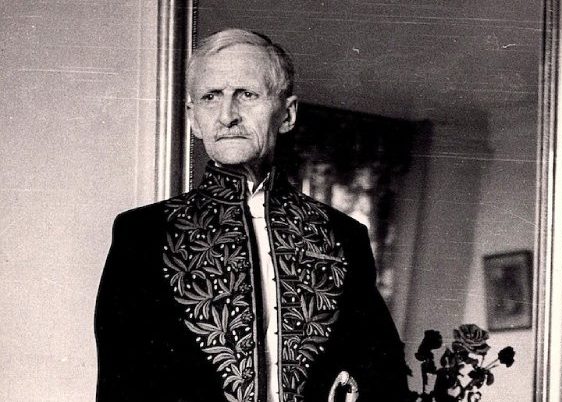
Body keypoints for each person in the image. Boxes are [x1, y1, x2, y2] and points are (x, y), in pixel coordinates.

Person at [95, 28, 409, 402]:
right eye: (211, 97)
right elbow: (119, 387)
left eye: (247, 95)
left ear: (287, 114)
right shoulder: (142, 234)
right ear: (194, 119)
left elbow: (384, 379)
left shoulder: (344, 236)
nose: (228, 115)